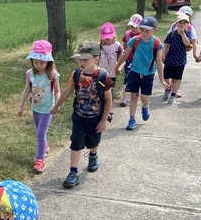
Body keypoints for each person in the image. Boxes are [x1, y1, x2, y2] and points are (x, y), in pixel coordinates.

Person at [50, 41, 112, 189]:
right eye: (79, 59)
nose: (81, 62)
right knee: (76, 142)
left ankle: (93, 155)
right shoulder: (76, 74)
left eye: (85, 59)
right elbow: (67, 91)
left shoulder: (103, 76)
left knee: (93, 141)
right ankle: (73, 172)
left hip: (95, 117)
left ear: (96, 59)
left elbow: (108, 100)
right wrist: (56, 106)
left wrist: (103, 121)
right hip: (78, 115)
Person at [114, 16, 168, 130]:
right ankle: (132, 119)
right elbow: (125, 54)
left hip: (148, 73)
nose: (144, 33)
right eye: (142, 30)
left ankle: (145, 107)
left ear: (155, 30)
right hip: (135, 71)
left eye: (147, 31)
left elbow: (159, 62)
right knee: (134, 96)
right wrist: (117, 66)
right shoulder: (135, 40)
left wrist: (162, 80)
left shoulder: (157, 44)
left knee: (144, 97)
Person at [17, 39, 61, 174]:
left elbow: (57, 91)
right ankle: (45, 145)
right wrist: (20, 106)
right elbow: (26, 90)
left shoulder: (52, 75)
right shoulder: (30, 74)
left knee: (40, 133)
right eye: (35, 62)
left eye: (42, 62)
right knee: (39, 131)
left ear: (48, 61)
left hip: (48, 109)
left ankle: (40, 160)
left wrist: (57, 105)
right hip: (35, 108)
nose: (38, 65)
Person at [162, 11, 198, 104]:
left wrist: (182, 34)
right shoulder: (172, 33)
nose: (182, 25)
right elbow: (166, 44)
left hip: (180, 60)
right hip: (170, 58)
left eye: (184, 23)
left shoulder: (187, 33)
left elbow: (187, 43)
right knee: (166, 76)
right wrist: (163, 54)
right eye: (180, 22)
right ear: (177, 24)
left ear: (187, 24)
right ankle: (168, 88)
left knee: (177, 78)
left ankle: (173, 95)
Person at [98, 22, 123, 121]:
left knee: (109, 93)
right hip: (100, 74)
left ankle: (108, 111)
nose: (107, 39)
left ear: (114, 35)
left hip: (112, 74)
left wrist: (119, 68)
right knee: (100, 92)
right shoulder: (99, 46)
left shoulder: (117, 46)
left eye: (109, 37)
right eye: (105, 37)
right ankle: (101, 110)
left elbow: (122, 59)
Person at [170, 5, 196, 98]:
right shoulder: (174, 25)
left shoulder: (190, 27)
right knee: (172, 73)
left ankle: (177, 89)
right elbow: (169, 38)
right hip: (172, 52)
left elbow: (193, 40)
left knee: (178, 73)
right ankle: (173, 87)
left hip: (181, 53)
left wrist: (195, 53)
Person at [119, 14, 143, 106]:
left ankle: (137, 94)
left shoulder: (142, 35)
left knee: (139, 78)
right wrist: (121, 57)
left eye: (134, 26)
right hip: (129, 60)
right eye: (131, 26)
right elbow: (124, 46)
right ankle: (124, 97)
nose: (132, 28)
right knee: (127, 77)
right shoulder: (127, 34)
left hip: (139, 61)